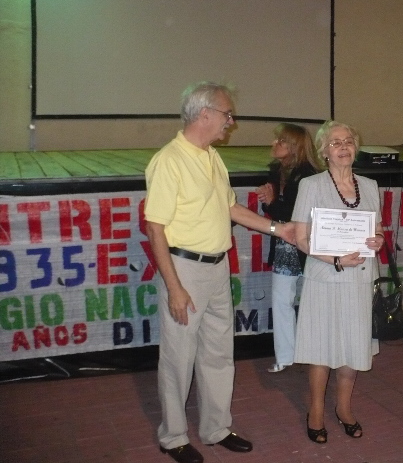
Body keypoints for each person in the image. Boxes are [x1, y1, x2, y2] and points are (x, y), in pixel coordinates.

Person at [144, 81, 295, 463]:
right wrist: (175, 287)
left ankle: (215, 428)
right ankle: (173, 437)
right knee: (178, 358)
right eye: (228, 114)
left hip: (216, 268)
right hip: (184, 270)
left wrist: (280, 229)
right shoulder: (169, 160)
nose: (231, 122)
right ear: (205, 114)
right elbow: (155, 228)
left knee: (218, 354)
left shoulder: (211, 157)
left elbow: (232, 209)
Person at [291, 120, 385, 444]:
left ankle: (343, 407)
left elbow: (378, 229)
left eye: (348, 141)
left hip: (360, 279)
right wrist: (334, 259)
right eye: (335, 143)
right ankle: (316, 411)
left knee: (353, 347)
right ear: (324, 152)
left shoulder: (370, 185)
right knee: (322, 347)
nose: (343, 147)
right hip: (324, 278)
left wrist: (378, 240)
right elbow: (300, 238)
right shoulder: (311, 185)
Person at [255, 123, 321, 373]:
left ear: (294, 147)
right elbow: (275, 212)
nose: (274, 144)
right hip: (284, 245)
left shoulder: (309, 176)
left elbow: (298, 214)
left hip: (308, 247)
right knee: (281, 301)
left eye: (281, 141)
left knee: (312, 302)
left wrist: (272, 202)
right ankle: (285, 356)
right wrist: (268, 201)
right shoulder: (275, 171)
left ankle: (315, 353)